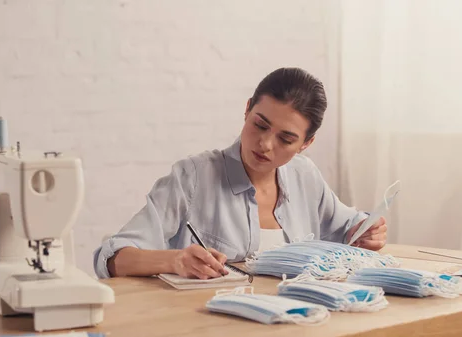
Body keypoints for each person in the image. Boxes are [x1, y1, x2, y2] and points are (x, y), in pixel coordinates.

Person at [93, 67, 388, 280]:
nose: (265, 144)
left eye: (285, 139)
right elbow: (112, 257)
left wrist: (366, 230)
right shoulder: (194, 176)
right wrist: (175, 260)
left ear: (305, 144)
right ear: (247, 110)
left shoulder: (305, 176)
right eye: (260, 125)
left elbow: (350, 227)